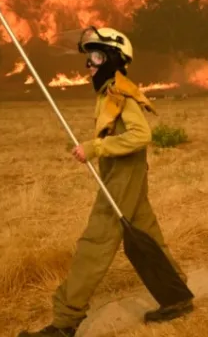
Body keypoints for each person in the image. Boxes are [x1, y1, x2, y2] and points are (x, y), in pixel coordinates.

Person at [19, 26, 193, 337]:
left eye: (97, 56)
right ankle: (177, 295)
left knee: (96, 241)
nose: (90, 64)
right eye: (89, 57)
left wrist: (96, 147)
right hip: (120, 169)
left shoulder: (119, 91)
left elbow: (142, 135)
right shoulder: (108, 90)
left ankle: (65, 322)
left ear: (114, 58)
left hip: (125, 171)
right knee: (146, 233)